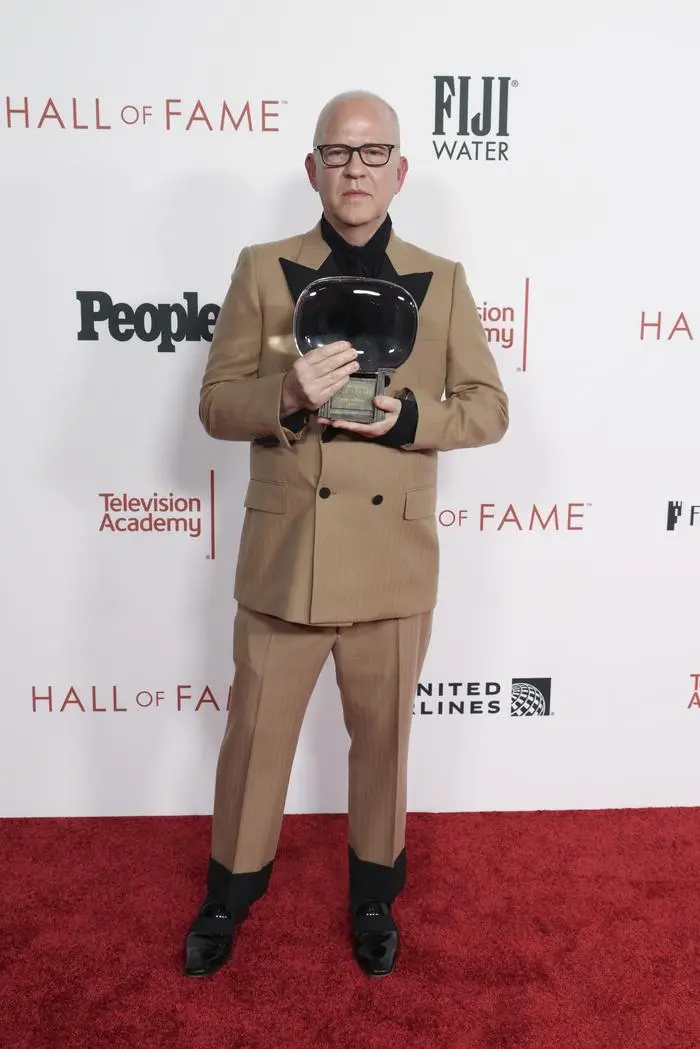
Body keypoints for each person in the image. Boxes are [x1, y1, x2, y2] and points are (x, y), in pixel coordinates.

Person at [183, 90, 509, 979]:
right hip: (286, 561)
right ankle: (227, 896)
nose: (354, 169)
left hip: (392, 566)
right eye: (338, 152)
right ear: (313, 168)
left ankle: (373, 897)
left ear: (400, 170)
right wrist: (285, 394)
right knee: (255, 743)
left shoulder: (444, 278)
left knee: (385, 747)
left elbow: (489, 408)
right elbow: (215, 404)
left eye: (372, 154)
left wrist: (413, 420)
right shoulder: (261, 269)